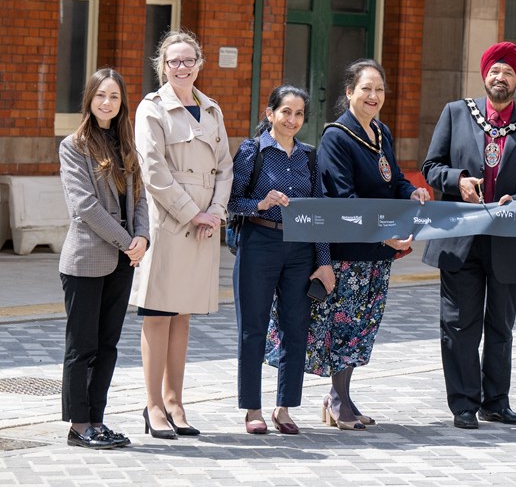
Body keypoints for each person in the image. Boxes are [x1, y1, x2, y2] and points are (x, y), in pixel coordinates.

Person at [286, 59, 429, 431]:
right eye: (366, 88)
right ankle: (336, 399)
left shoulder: (381, 132)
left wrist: (410, 191)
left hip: (378, 253)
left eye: (379, 89)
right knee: (343, 326)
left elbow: (393, 179)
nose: (373, 96)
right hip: (349, 251)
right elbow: (343, 200)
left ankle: (343, 398)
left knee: (362, 328)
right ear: (349, 92)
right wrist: (381, 232)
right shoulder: (337, 137)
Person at [422, 42, 516, 430]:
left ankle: (496, 401)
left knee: (501, 325)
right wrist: (458, 181)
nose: (501, 78)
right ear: (485, 75)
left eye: (509, 73)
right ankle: (463, 404)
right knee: (459, 325)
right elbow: (431, 167)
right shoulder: (456, 113)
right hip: (460, 238)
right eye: (495, 71)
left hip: (509, 240)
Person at [134, 30, 232, 439]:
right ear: (163, 66)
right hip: (171, 223)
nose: (182, 67)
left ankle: (176, 400)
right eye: (174, 61)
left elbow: (225, 166)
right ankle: (153, 405)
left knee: (183, 314)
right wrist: (194, 213)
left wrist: (215, 212)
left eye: (189, 59)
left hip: (204, 228)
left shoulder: (211, 110)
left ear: (200, 63)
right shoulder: (151, 109)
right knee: (159, 313)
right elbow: (153, 172)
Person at [229, 85, 330, 435]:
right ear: (270, 113)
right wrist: (259, 203)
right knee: (253, 329)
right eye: (285, 111)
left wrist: (325, 261)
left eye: (299, 113)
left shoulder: (309, 156)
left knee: (295, 328)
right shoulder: (251, 151)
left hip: (300, 248)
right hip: (259, 241)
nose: (292, 119)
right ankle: (252, 408)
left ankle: (284, 407)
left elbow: (319, 212)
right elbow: (230, 204)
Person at [58, 68, 149, 449]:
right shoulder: (74, 145)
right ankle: (79, 425)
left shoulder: (127, 145)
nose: (107, 102)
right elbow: (84, 206)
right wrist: (128, 240)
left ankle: (97, 419)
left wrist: (143, 236)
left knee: (108, 345)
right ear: (89, 99)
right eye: (101, 95)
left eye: (114, 96)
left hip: (123, 259)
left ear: (121, 102)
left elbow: (141, 198)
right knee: (83, 347)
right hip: (86, 259)